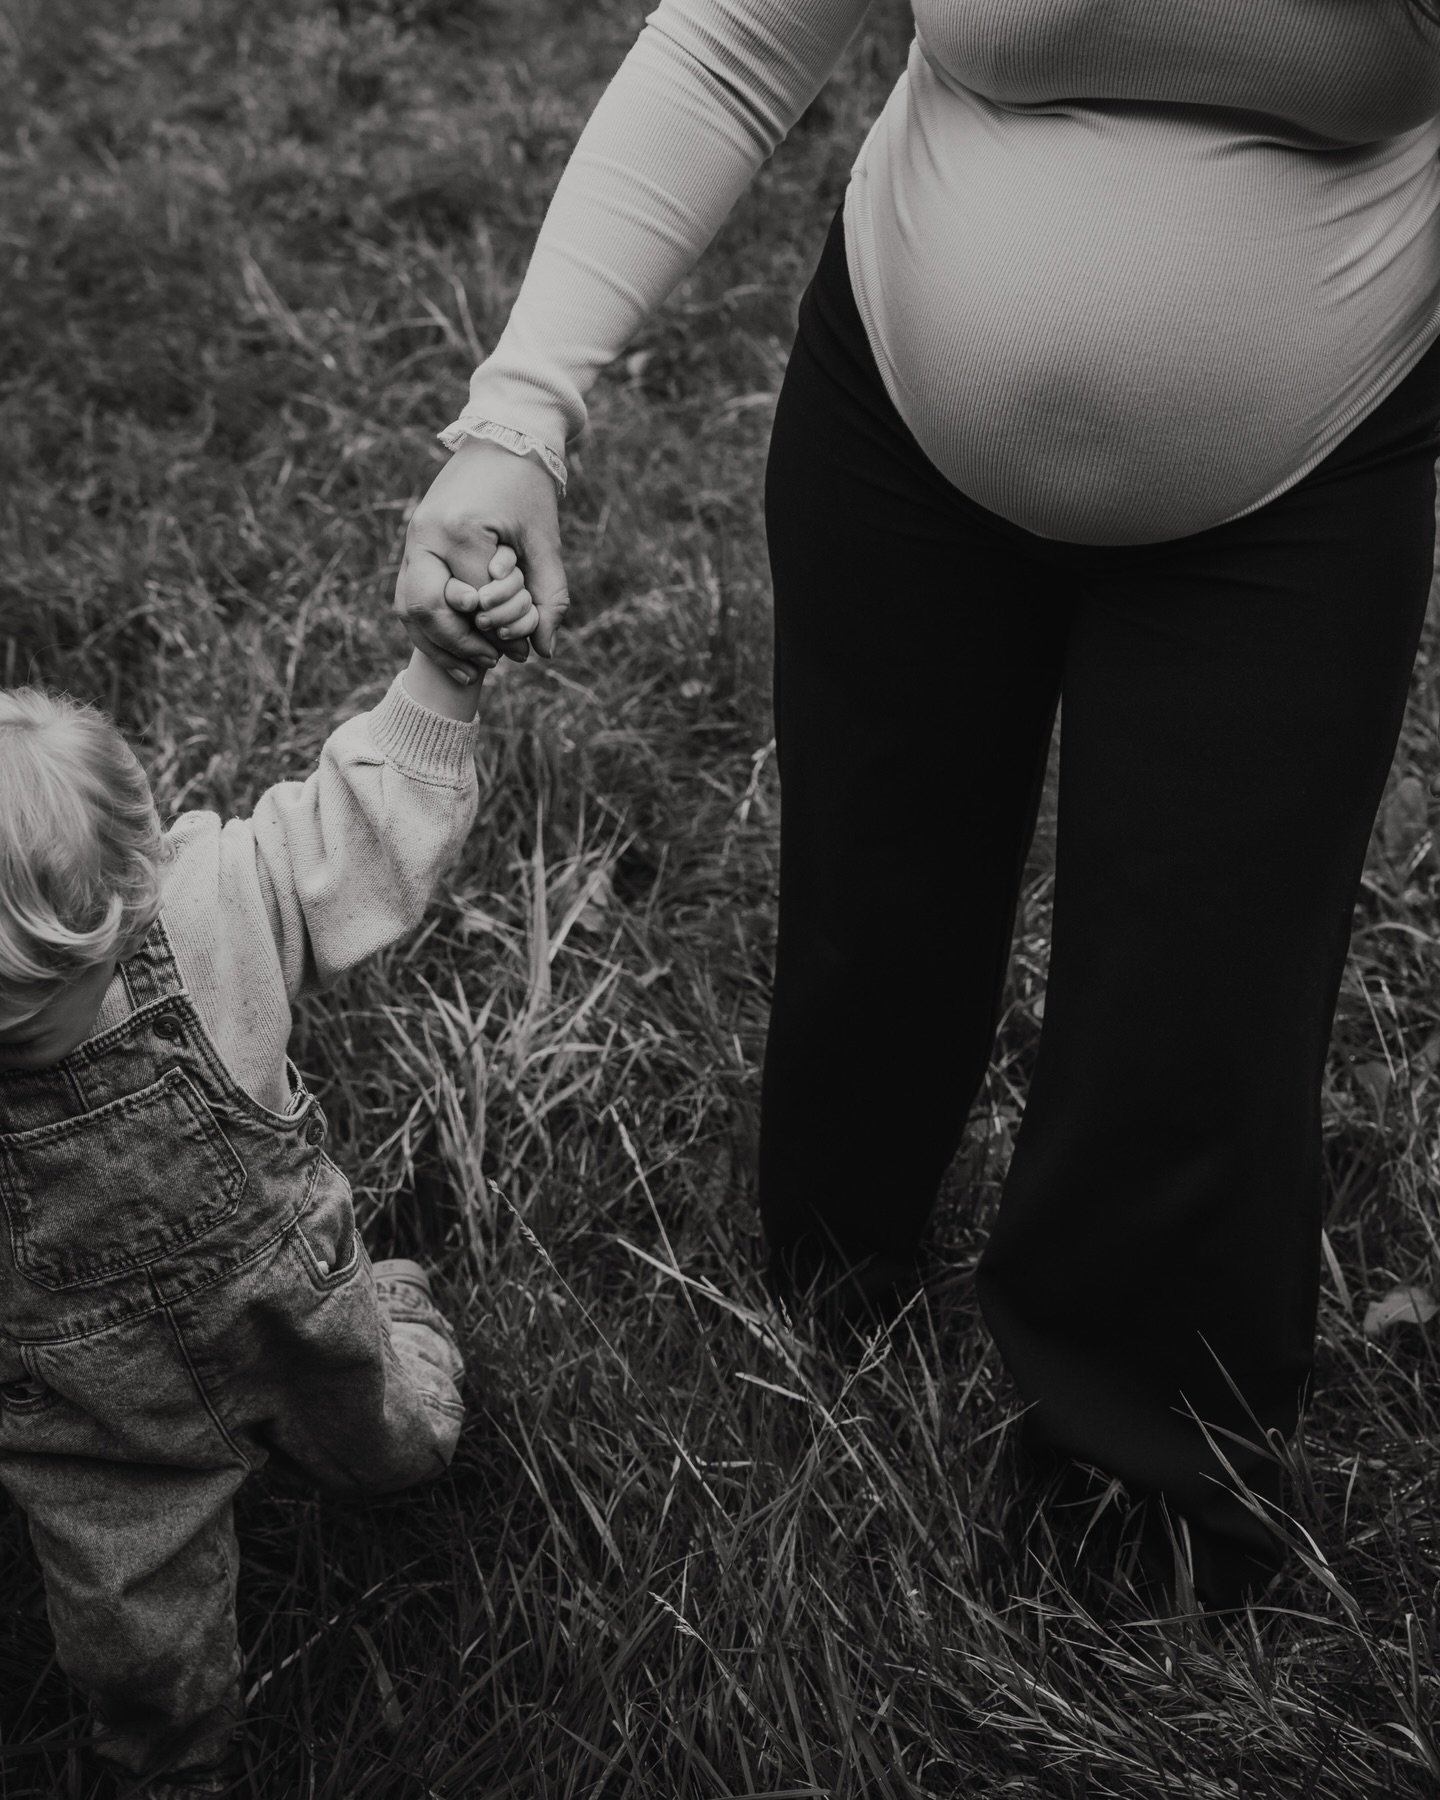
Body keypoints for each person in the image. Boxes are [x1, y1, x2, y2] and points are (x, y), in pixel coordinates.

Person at [394, 2, 1440, 1608]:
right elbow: (736, 41)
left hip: (1303, 472)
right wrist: (516, 418)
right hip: (898, 410)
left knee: (1198, 987)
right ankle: (829, 1266)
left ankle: (1134, 1484)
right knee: (876, 897)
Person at [0, 547, 533, 1793]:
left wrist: (444, 672)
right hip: (95, 1430)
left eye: (30, 1017)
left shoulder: (213, 901)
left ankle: (404, 1322)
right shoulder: (99, 922)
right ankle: (169, 1766)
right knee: (134, 1640)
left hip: (291, 1305)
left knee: (399, 1444)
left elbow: (357, 829)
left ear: (129, 893)